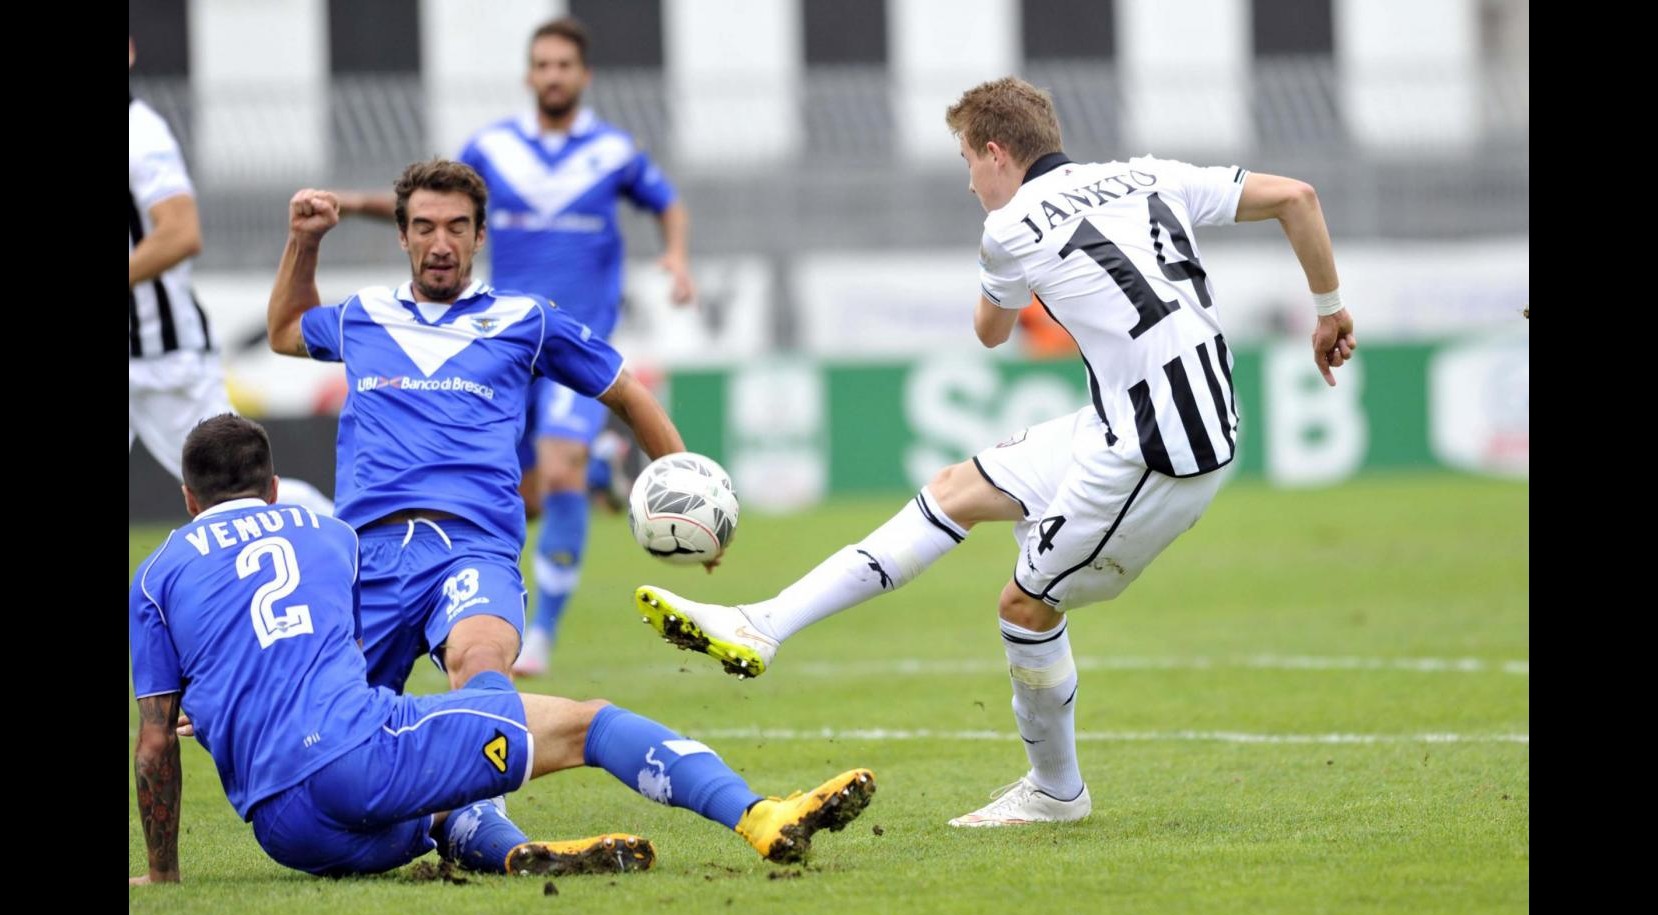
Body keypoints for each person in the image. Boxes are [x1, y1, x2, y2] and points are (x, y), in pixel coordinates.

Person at [632, 77, 1358, 827]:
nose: (968, 179)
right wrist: (1330, 309)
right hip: (1157, 412)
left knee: (1026, 607)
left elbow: (990, 330)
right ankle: (763, 621)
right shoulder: (1150, 174)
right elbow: (1297, 196)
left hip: (1159, 452)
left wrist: (999, 269)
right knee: (958, 487)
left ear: (996, 151)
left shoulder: (1009, 227)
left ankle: (1057, 793)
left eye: (966, 160)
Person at [128, 414, 876, 884]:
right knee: (585, 722)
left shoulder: (156, 573)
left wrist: (163, 872)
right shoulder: (326, 535)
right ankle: (759, 815)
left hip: (285, 829)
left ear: (189, 499)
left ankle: (509, 852)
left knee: (433, 801)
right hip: (356, 760)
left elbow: (156, 742)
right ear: (274, 489)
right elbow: (338, 637)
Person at [267, 157, 698, 852]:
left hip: (472, 548)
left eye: (457, 227)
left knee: (481, 662)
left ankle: (494, 835)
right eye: (425, 226)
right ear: (403, 236)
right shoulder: (363, 316)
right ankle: (448, 821)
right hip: (367, 558)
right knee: (329, 738)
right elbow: (286, 329)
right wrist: (305, 240)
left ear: (480, 237)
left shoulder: (523, 319)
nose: (441, 241)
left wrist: (682, 483)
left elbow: (626, 390)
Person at [338, 16, 696, 676]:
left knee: (556, 469)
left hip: (567, 342)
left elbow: (667, 202)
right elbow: (429, 200)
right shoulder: (494, 148)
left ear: (582, 76)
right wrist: (343, 206)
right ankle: (599, 469)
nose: (553, 75)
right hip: (495, 342)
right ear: (529, 75)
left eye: (565, 65)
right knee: (526, 493)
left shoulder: (611, 151)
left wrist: (675, 257)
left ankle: (543, 636)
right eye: (543, 64)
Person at [128, 37, 335, 517]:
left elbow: (180, 233)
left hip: (166, 356)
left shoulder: (142, 133)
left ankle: (347, 534)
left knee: (241, 485)